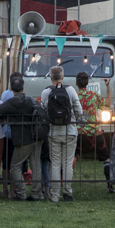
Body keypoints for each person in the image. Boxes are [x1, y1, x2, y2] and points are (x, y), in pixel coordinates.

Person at [0, 76, 45, 201]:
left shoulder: (11, 102)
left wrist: (8, 115)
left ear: (11, 88)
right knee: (36, 165)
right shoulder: (30, 100)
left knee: (15, 165)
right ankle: (36, 193)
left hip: (23, 138)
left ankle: (21, 193)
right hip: (36, 136)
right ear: (23, 88)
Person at [42, 66, 84, 202]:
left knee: (55, 164)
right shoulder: (70, 90)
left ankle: (55, 195)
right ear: (62, 76)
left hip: (54, 131)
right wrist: (74, 119)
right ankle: (67, 193)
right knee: (67, 163)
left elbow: (44, 111)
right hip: (70, 131)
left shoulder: (46, 92)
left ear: (50, 77)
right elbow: (79, 111)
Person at [74, 70, 105, 189]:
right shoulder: (95, 95)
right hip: (95, 132)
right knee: (106, 158)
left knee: (71, 156)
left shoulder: (74, 96)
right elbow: (107, 103)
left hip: (78, 132)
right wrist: (108, 87)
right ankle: (110, 185)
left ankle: (64, 181)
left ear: (76, 83)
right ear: (87, 83)